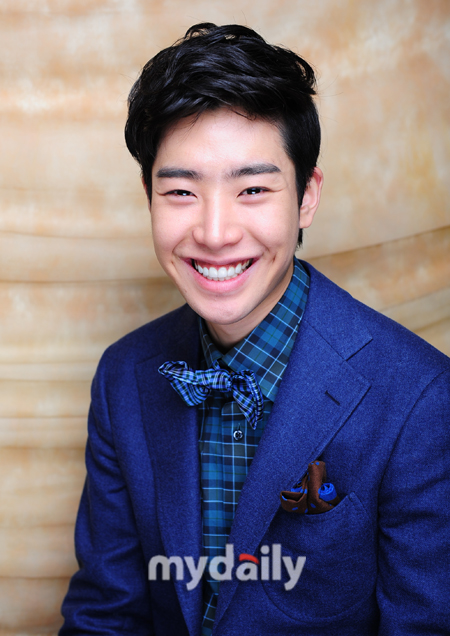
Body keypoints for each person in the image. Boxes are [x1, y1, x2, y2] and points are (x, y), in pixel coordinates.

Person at [59, 23, 450, 636]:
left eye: (253, 189)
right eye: (181, 191)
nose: (215, 233)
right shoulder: (124, 376)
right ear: (148, 196)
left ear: (306, 197)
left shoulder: (421, 397)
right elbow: (107, 615)